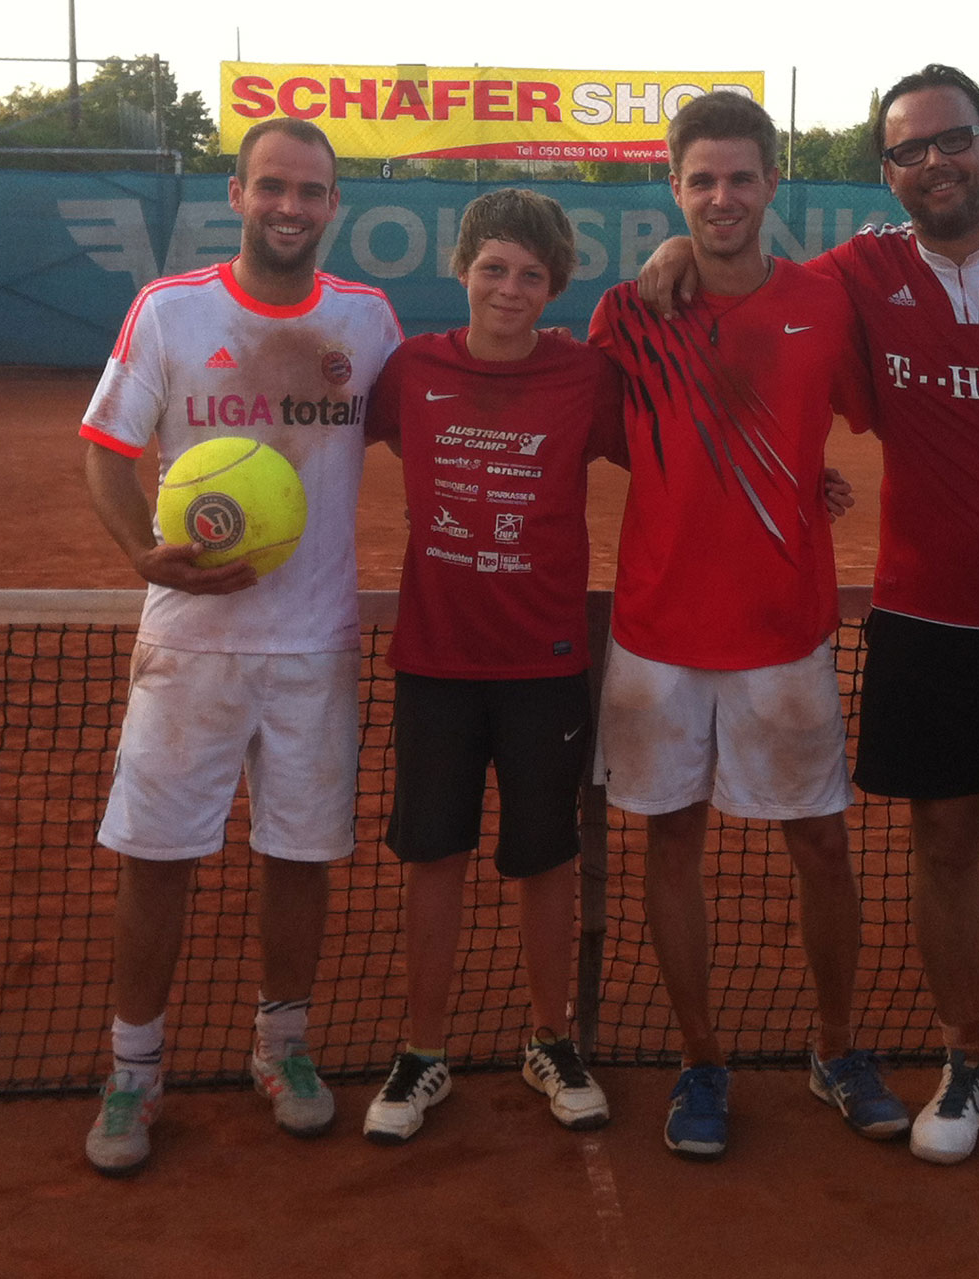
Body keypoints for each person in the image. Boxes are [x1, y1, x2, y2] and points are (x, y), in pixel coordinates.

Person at [640, 64, 979, 1206]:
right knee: (943, 851)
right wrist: (674, 256)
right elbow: (752, 291)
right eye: (907, 151)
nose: (933, 163)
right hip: (925, 620)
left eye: (952, 142)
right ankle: (969, 1064)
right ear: (884, 172)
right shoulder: (861, 272)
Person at [79, 118, 403, 1176]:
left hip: (315, 646)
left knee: (300, 856)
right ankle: (134, 1070)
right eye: (274, 186)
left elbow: (449, 406)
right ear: (239, 190)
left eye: (311, 192)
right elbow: (108, 452)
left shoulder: (367, 319)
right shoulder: (171, 309)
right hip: (192, 645)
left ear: (332, 205)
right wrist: (143, 552)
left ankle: (284, 1049)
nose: (291, 208)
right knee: (158, 855)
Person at [589, 90, 907, 1161]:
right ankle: (702, 1058)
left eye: (740, 177)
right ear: (674, 190)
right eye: (700, 181)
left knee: (821, 842)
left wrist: (799, 481)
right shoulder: (629, 312)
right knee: (671, 840)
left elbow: (872, 415)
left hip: (785, 633)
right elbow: (613, 435)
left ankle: (834, 1046)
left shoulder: (827, 302)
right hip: (657, 636)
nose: (721, 196)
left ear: (773, 183)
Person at [358, 189, 625, 1143]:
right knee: (433, 853)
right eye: (494, 268)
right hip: (435, 661)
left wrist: (804, 477)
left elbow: (683, 456)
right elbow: (326, 435)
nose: (510, 288)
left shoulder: (586, 377)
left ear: (555, 286)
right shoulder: (410, 369)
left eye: (532, 274)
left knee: (545, 854)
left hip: (546, 663)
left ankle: (550, 1037)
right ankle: (422, 1049)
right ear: (463, 269)